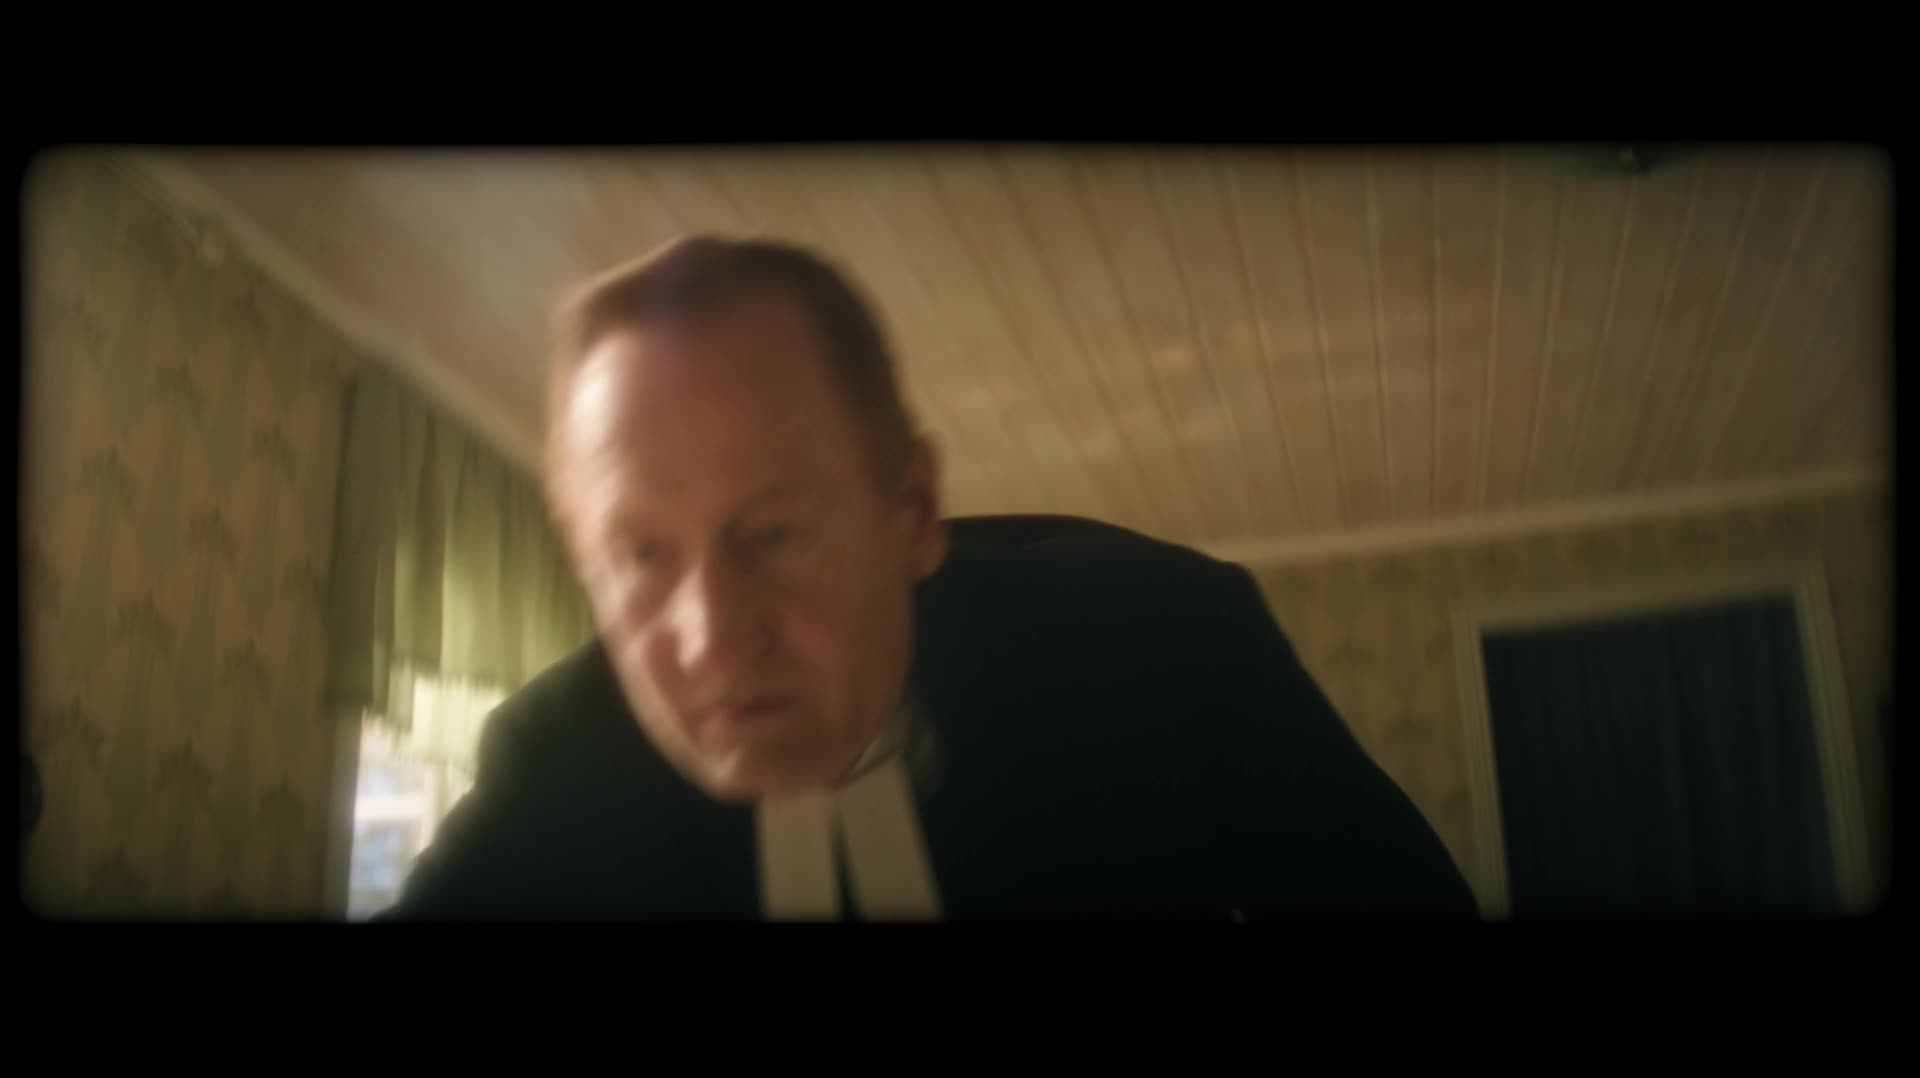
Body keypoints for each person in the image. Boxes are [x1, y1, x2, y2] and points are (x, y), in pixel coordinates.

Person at [379, 235, 1479, 921]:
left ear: (910, 511)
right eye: (639, 555)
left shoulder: (1172, 651)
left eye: (772, 534)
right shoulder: (556, 762)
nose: (710, 636)